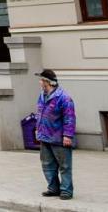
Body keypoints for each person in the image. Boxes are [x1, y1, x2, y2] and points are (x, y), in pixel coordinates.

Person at [35, 69, 76, 201]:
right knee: (47, 165)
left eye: (41, 80)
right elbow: (39, 113)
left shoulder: (63, 97)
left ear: (47, 82)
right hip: (44, 135)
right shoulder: (42, 95)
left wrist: (68, 136)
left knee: (64, 166)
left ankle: (66, 190)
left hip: (58, 137)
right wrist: (38, 129)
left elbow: (69, 117)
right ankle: (53, 188)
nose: (39, 82)